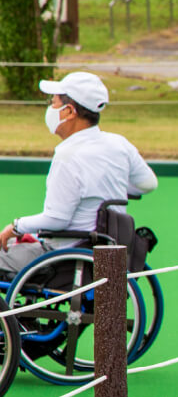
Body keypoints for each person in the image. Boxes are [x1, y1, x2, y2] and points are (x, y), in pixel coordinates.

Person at [0, 72, 158, 278]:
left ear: (69, 112)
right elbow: (148, 183)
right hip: (103, 247)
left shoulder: (67, 155)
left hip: (64, 255)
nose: (50, 108)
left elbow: (57, 219)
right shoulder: (119, 144)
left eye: (53, 102)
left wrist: (16, 227)